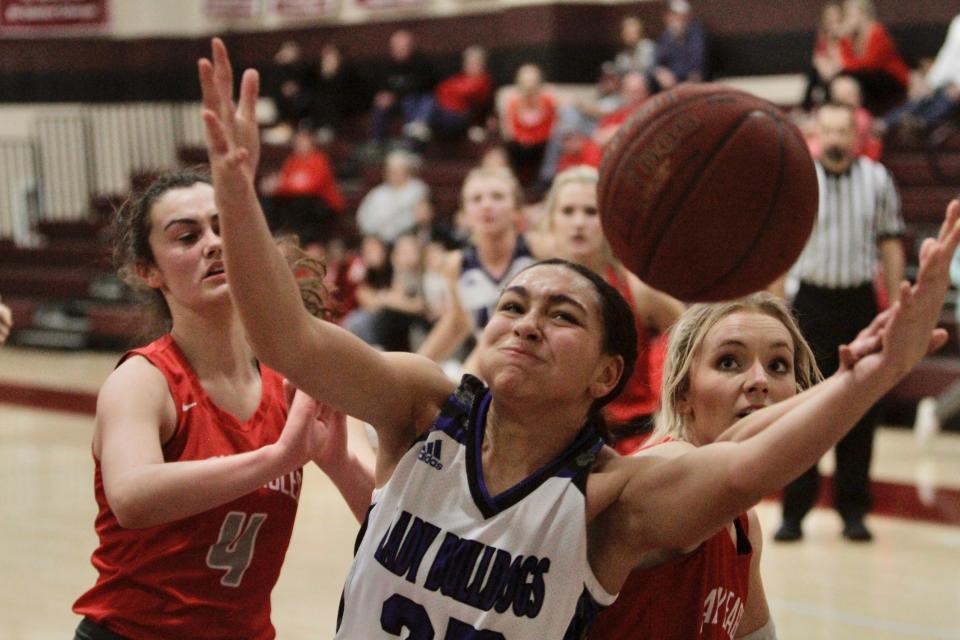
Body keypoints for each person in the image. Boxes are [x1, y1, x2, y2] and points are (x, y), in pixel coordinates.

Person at [199, 38, 959, 638]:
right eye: (515, 305)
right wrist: (237, 192)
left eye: (562, 317)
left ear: (607, 373)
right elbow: (288, 340)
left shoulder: (609, 502)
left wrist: (882, 369)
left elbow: (740, 468)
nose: (527, 321)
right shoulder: (421, 406)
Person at [71, 170, 375, 639]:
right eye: (187, 236)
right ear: (149, 271)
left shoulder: (301, 374)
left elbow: (384, 521)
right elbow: (132, 497)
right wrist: (275, 459)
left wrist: (336, 461)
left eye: (223, 227)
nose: (213, 244)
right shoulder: (143, 380)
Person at [590, 293, 821, 639]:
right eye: (729, 362)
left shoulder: (745, 525)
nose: (760, 379)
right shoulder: (665, 464)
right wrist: (870, 376)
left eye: (778, 365)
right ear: (683, 393)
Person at [772, 101, 907, 543]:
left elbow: (889, 244)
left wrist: (897, 306)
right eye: (826, 130)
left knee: (860, 408)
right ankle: (795, 513)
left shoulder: (877, 179)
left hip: (858, 303)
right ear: (816, 132)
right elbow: (781, 243)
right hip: (809, 303)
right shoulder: (798, 177)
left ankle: (853, 511)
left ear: (857, 135)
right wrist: (775, 309)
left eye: (842, 130)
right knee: (803, 410)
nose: (834, 138)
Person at [541, 165, 683, 445]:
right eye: (568, 212)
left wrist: (674, 410)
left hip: (632, 443)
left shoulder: (637, 288)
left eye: (591, 212)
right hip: (557, 444)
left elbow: (695, 338)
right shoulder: (535, 289)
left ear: (608, 221)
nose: (579, 222)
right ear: (551, 221)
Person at [416, 165, 539, 370]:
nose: (486, 205)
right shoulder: (455, 265)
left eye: (497, 196)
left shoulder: (540, 250)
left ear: (517, 210)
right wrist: (414, 364)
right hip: (489, 371)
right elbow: (457, 323)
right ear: (463, 215)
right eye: (476, 199)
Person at [835, 0, 908, 115]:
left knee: (854, 77)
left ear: (863, 14)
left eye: (850, 14)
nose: (848, 20)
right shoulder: (849, 38)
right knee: (841, 77)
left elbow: (872, 63)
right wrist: (843, 40)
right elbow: (847, 63)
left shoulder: (877, 32)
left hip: (890, 79)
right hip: (867, 78)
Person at [370, 29, 437, 148]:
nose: (399, 50)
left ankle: (412, 144)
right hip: (393, 103)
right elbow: (381, 86)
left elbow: (424, 86)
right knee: (379, 105)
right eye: (395, 47)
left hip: (416, 101)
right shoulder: (385, 65)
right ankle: (377, 143)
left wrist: (395, 95)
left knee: (410, 101)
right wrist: (383, 96)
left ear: (411, 47)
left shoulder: (421, 62)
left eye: (403, 47)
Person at [355, 149, 429, 243]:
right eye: (392, 172)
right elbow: (363, 220)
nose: (396, 175)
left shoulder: (418, 190)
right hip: (380, 240)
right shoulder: (376, 194)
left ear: (407, 172)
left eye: (400, 171)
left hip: (409, 239)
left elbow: (423, 217)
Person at [429, 45, 494, 139]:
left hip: (461, 118)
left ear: (483, 65)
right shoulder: (458, 79)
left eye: (476, 63)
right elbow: (441, 89)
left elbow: (471, 95)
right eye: (469, 62)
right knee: (426, 102)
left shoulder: (485, 81)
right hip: (444, 114)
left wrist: (453, 95)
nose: (471, 66)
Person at [651, 0, 709, 91]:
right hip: (671, 86)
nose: (676, 20)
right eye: (673, 16)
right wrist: (660, 71)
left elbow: (697, 68)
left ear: (688, 18)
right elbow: (656, 62)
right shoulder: (665, 37)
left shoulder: (697, 34)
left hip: (691, 84)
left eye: (681, 16)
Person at [804, 2, 845, 110]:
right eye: (829, 17)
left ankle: (828, 106)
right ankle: (807, 108)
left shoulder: (845, 36)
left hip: (842, 69)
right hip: (826, 72)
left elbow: (843, 61)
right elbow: (817, 59)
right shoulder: (822, 37)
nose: (832, 21)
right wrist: (824, 68)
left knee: (832, 77)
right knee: (814, 73)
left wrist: (835, 41)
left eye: (835, 17)